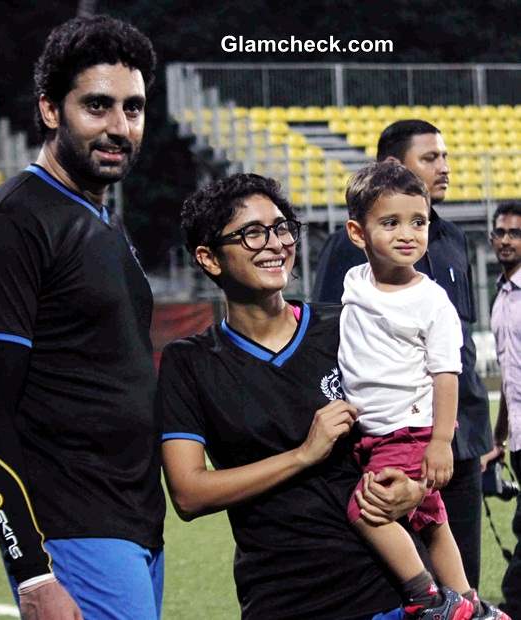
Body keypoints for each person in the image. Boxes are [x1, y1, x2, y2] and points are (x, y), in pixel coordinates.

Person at [0, 15, 164, 620]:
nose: (119, 127)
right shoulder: (11, 223)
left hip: (135, 522)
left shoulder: (101, 219)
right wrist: (30, 571)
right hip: (70, 529)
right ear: (50, 110)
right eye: (97, 106)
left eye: (133, 108)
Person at [158, 172, 436, 620]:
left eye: (282, 227)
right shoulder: (189, 362)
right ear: (209, 258)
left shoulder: (349, 324)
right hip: (282, 597)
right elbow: (189, 494)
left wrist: (415, 487)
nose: (275, 243)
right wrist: (303, 455)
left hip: (388, 590)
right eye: (252, 232)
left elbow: (417, 422)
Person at [313, 119, 492, 589]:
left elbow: (458, 353)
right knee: (388, 559)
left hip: (454, 437)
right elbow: (332, 337)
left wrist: (465, 436)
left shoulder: (452, 241)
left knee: (455, 555)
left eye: (446, 156)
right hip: (383, 431)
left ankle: (459, 602)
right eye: (431, 157)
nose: (445, 167)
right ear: (394, 167)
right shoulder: (349, 260)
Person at [340, 161, 505, 619]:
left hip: (408, 431)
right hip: (374, 433)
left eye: (419, 221)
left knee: (365, 511)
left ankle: (425, 596)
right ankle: (471, 604)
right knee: (432, 521)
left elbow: (447, 372)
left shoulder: (431, 300)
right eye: (390, 223)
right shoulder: (355, 284)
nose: (408, 233)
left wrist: (440, 443)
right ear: (358, 233)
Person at [487, 201, 521, 619]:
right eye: (501, 233)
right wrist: (498, 435)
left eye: (515, 233)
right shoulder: (501, 297)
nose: (507, 240)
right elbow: (509, 379)